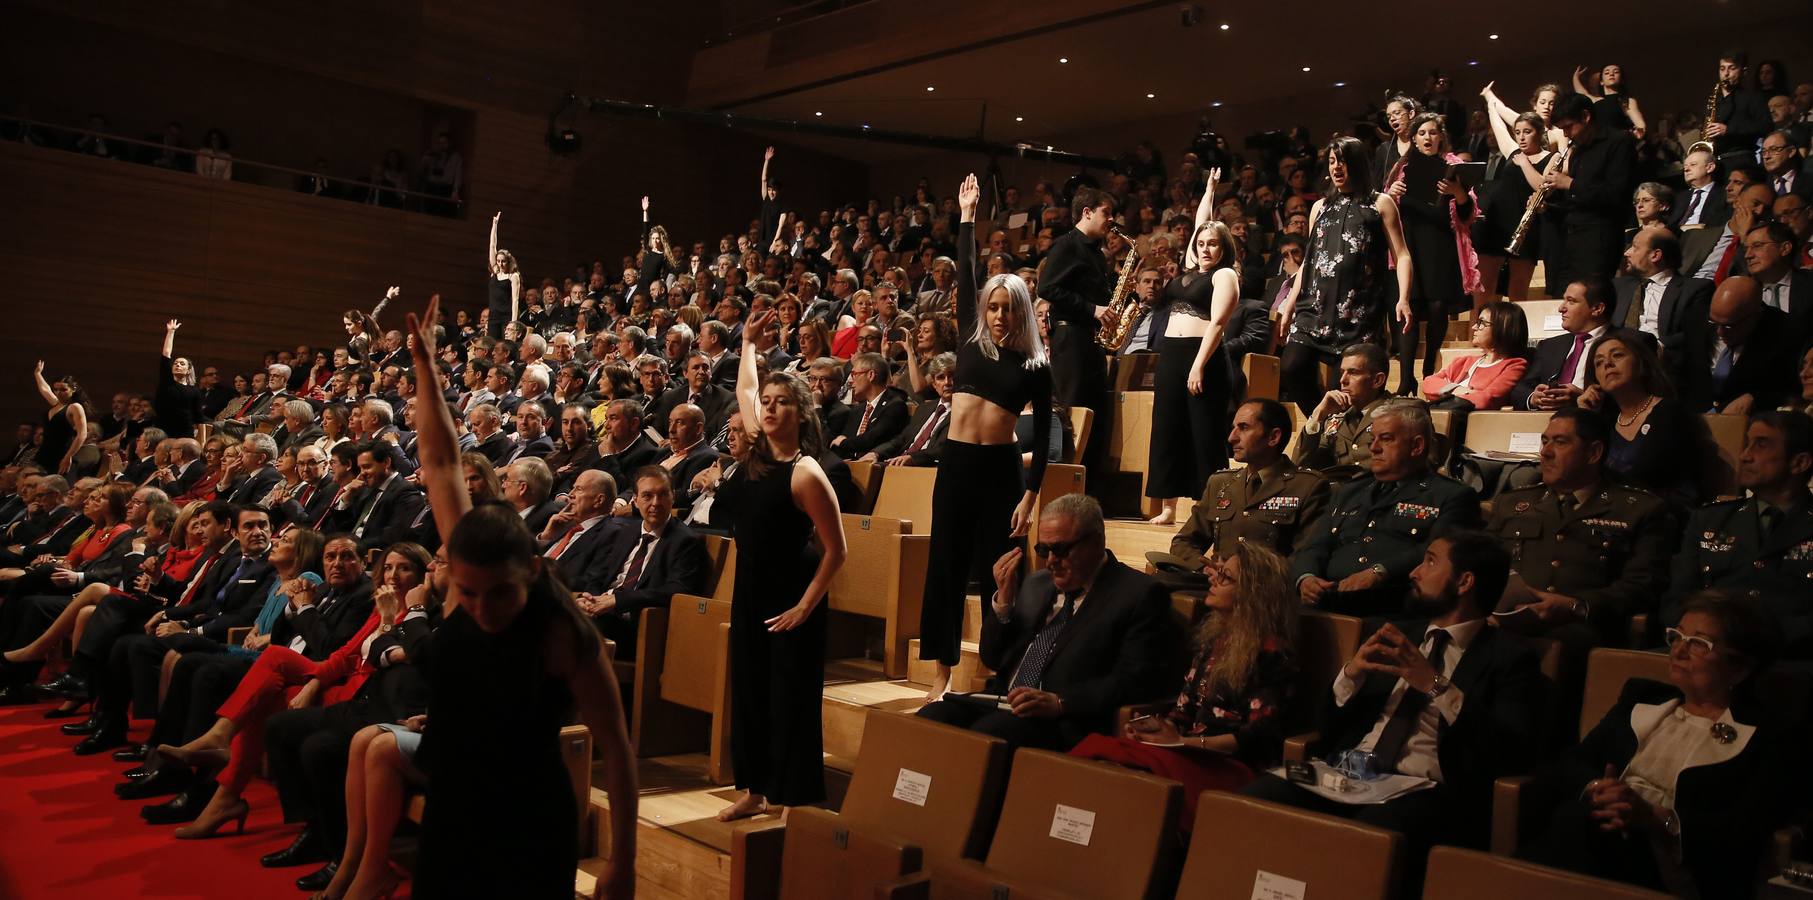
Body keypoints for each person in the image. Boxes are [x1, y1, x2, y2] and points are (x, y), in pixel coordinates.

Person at [389, 294, 637, 897]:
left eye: (496, 595)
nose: (478, 608)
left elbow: (618, 751)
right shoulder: (471, 553)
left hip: (529, 817)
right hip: (453, 802)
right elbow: (442, 460)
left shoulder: (560, 631)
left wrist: (622, 861)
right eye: (465, 594)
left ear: (530, 569)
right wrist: (425, 368)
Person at [1244, 531, 1545, 887]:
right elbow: (1328, 729)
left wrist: (1434, 684)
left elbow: (1507, 749)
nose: (1415, 572)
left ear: (1464, 581)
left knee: (1369, 835)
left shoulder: (1510, 658)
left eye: (1430, 561)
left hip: (1425, 789)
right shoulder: (1395, 634)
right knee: (1257, 798)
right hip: (1348, 773)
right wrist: (1351, 675)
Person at [1520, 592, 1789, 899]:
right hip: (1597, 837)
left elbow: (1741, 831)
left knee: (1580, 827)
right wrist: (1599, 788)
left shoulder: (1768, 735)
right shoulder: (1641, 697)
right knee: (1583, 823)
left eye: (1699, 643)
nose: (1679, 651)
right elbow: (1572, 762)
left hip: (1673, 866)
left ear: (1740, 668)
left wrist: (1652, 817)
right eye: (1677, 636)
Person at [156, 543, 429, 840]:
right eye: (388, 567)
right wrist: (313, 677)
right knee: (267, 685)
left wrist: (314, 679)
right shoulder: (376, 606)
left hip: (359, 696)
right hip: (335, 678)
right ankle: (222, 797)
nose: (393, 575)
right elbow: (344, 654)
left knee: (271, 663)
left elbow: (352, 655)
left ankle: (221, 763)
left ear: (421, 575)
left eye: (404, 568)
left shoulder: (412, 615)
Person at [911, 175, 1057, 698]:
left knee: (1002, 572)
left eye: (1006, 307)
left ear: (1020, 310)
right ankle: (942, 674)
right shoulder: (972, 337)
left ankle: (1007, 665)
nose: (997, 315)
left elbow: (1042, 434)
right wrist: (968, 214)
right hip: (955, 465)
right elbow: (968, 267)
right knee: (945, 568)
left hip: (1000, 472)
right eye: (991, 306)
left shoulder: (1035, 363)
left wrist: (1031, 496)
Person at [918, 493, 1184, 751]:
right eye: (1043, 549)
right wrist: (1003, 604)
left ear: (1096, 542)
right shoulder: (1037, 584)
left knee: (988, 736)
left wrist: (1060, 702)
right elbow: (993, 658)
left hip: (1066, 719)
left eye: (1060, 549)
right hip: (1001, 701)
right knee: (931, 717)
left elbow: (1133, 681)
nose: (1051, 561)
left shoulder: (1138, 594)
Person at [714, 309, 846, 821]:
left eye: (781, 402)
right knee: (749, 691)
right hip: (750, 587)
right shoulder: (755, 452)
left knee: (789, 699)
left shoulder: (806, 472)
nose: (768, 409)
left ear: (801, 411)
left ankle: (793, 796)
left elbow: (837, 551)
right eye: (766, 404)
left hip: (792, 595)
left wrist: (804, 608)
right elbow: (747, 388)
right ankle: (754, 788)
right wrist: (748, 344)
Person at [1070, 542, 1298, 828]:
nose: (1213, 579)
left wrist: (1186, 743)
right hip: (1190, 751)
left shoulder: (1272, 653)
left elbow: (1258, 738)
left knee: (1124, 771)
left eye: (1225, 577)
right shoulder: (1214, 639)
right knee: (1098, 753)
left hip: (1229, 764)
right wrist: (1156, 729)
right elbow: (1182, 713)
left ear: (1254, 594)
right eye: (1217, 572)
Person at [1487, 408, 1674, 650]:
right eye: (1544, 441)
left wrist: (1576, 605)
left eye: (1560, 442)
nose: (1545, 452)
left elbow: (1643, 586)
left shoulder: (1639, 509)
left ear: (1593, 453)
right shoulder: (1512, 503)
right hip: (1503, 622)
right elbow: (1482, 562)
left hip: (1582, 631)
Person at [1291, 401, 1480, 616]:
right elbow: (1315, 545)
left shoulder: (1450, 496)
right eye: (1373, 439)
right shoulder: (1349, 491)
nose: (1374, 448)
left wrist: (1380, 572)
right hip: (1327, 604)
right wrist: (1306, 578)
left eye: (1386, 439)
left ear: (1416, 446)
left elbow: (1437, 555)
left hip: (1395, 611)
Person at [1275, 138, 1414, 412]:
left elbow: (1403, 255)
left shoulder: (1380, 203)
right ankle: (1324, 421)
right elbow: (1309, 262)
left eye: (1343, 161)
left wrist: (1404, 298)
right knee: (1291, 367)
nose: (1337, 167)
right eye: (1332, 161)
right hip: (1313, 310)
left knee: (1348, 387)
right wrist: (1289, 303)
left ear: (1358, 164)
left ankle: (1340, 435)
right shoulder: (1320, 207)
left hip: (1357, 313)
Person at [1662, 412, 1813, 659]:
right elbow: (1677, 598)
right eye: (1747, 443)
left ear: (1799, 462)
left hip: (1788, 661)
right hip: (1701, 653)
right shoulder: (1709, 520)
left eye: (1761, 444)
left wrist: (1747, 641)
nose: (1745, 455)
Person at [1147, 168, 1240, 526]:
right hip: (1171, 354)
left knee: (1204, 432)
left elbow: (1217, 323)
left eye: (1212, 244)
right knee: (1167, 428)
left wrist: (1199, 365)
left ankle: (1212, 508)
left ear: (1224, 247)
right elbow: (1204, 221)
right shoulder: (1190, 269)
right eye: (1200, 244)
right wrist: (1210, 189)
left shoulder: (1225, 275)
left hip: (1204, 356)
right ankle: (1168, 507)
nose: (1204, 248)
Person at [1154, 399, 1331, 579]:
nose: (1232, 437)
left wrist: (1248, 575)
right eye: (1233, 428)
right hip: (1216, 586)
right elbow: (1184, 542)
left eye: (1244, 427)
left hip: (1267, 595)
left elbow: (1307, 555)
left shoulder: (1307, 486)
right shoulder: (1220, 483)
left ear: (1273, 437)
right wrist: (1205, 568)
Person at [1386, 112, 1480, 388]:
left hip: (1440, 244)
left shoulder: (1453, 166)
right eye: (1422, 133)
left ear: (1441, 137)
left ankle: (1429, 364)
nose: (1428, 137)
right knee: (1409, 309)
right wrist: (1393, 194)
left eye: (1433, 132)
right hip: (1409, 244)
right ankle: (1405, 379)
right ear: (1414, 138)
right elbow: (1384, 210)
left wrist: (1458, 193)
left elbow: (1468, 213)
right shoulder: (1400, 169)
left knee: (1438, 306)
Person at [576, 466, 710, 655]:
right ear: (635, 501)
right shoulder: (626, 531)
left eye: (663, 495)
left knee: (570, 628)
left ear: (673, 497)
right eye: (647, 496)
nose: (656, 503)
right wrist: (589, 598)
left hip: (637, 626)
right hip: (602, 612)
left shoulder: (685, 541)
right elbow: (598, 574)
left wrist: (617, 601)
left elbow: (678, 591)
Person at [1037, 186, 1119, 492]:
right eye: (1106, 212)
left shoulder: (1095, 251)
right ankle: (1061, 488)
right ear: (1087, 212)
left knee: (1095, 416)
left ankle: (1090, 491)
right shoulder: (1066, 245)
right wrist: (1092, 308)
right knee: (1072, 411)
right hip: (1071, 338)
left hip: (1090, 339)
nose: (1111, 219)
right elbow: (1047, 287)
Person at [1578, 329, 1708, 503]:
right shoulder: (1605, 423)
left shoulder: (1669, 412)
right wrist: (1586, 418)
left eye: (1617, 355)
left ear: (1641, 364)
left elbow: (1650, 476)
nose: (1607, 364)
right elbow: (1578, 471)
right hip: (1614, 514)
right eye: (1598, 363)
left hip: (1664, 515)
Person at [1475, 87, 1556, 304]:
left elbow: (1543, 187)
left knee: (1518, 292)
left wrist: (1525, 164)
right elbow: (1499, 126)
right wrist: (1490, 100)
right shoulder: (1513, 151)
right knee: (1485, 289)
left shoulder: (1552, 158)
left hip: (1526, 228)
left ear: (1539, 133)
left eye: (1527, 132)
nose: (1520, 137)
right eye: (1517, 132)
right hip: (1498, 225)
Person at [1675, 276, 1801, 415]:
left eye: (1728, 326)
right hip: (1694, 418)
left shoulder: (1786, 332)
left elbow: (1792, 388)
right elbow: (1685, 375)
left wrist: (1755, 398)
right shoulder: (1695, 318)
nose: (1719, 331)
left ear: (1756, 315)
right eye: (1714, 322)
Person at [1548, 93, 1637, 284]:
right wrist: (1548, 205)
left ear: (1586, 117)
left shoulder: (1619, 141)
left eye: (1568, 127)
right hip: (1571, 238)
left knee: (1590, 300)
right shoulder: (1577, 150)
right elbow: (1575, 200)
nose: (1565, 134)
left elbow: (1616, 194)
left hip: (1599, 239)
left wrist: (1569, 184)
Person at [1512, 276, 1615, 410]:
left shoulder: (1628, 343)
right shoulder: (1550, 346)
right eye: (1563, 300)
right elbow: (1520, 390)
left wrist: (1582, 398)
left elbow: (1634, 397)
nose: (1561, 308)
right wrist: (1534, 397)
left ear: (1597, 309)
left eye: (1571, 301)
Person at [1611, 227, 1715, 359]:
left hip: (1661, 362)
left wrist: (1654, 348)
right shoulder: (1619, 286)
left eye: (1635, 247)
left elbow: (1695, 333)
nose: (1627, 252)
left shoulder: (1694, 289)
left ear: (1655, 255)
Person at [1292, 343, 1392, 472]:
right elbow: (1300, 466)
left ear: (1377, 380)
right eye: (1342, 372)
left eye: (1353, 372)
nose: (1342, 380)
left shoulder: (1402, 413)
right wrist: (1318, 415)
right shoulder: (1336, 421)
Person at [1417, 300, 1528, 412]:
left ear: (1503, 328)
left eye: (1481, 323)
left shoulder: (1514, 365)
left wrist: (1444, 391)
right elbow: (1428, 383)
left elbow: (1486, 399)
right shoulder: (1464, 362)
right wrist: (1459, 389)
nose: (1474, 327)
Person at [31, 362, 87, 476]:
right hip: (44, 455)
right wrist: (37, 373)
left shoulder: (75, 407)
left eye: (63, 390)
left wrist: (68, 457)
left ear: (73, 389)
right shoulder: (56, 403)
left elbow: (82, 434)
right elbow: (45, 389)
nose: (58, 393)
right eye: (56, 389)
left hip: (61, 456)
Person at [154, 319, 205, 439]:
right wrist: (171, 332)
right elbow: (166, 354)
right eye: (176, 363)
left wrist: (200, 438)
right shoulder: (167, 383)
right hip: (163, 431)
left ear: (188, 370)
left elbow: (198, 417)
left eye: (182, 364)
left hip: (185, 431)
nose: (178, 365)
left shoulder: (195, 391)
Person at [486, 212, 520, 340]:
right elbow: (492, 245)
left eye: (503, 261)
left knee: (506, 345)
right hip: (493, 316)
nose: (500, 264)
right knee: (492, 344)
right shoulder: (495, 271)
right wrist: (495, 225)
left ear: (508, 261)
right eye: (498, 261)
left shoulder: (513, 276)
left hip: (506, 315)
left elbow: (515, 299)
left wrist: (513, 321)